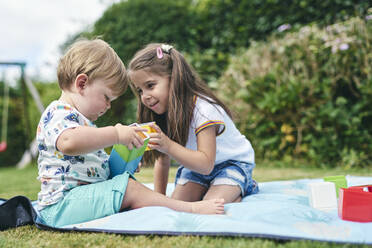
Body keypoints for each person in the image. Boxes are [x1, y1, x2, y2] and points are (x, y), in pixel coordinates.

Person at [36, 39, 225, 228]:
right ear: (82, 83)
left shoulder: (82, 121)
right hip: (61, 207)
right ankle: (190, 209)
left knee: (125, 183)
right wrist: (116, 133)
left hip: (78, 201)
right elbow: (69, 142)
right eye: (106, 97)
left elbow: (90, 166)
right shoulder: (58, 113)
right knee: (128, 189)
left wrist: (124, 162)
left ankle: (157, 204)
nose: (108, 106)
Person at [128, 43, 259, 204]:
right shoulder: (164, 113)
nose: (145, 96)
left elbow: (206, 164)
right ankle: (224, 191)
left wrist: (168, 145)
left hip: (231, 164)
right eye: (140, 90)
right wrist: (160, 201)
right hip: (196, 169)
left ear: (174, 78)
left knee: (211, 204)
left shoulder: (204, 109)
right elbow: (162, 160)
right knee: (177, 204)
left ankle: (244, 186)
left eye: (150, 86)